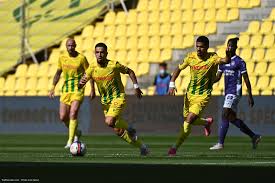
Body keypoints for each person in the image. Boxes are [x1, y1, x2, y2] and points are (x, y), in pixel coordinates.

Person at [78, 42, 149, 155]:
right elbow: (83, 81)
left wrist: (136, 87)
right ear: (94, 53)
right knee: (117, 130)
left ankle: (129, 128)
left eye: (102, 52)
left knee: (109, 121)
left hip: (118, 97)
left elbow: (130, 71)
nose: (99, 55)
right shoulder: (91, 68)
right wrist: (80, 84)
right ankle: (142, 147)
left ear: (106, 53)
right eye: (97, 52)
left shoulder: (114, 65)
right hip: (105, 102)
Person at [167, 36, 232, 156]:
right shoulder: (191, 57)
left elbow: (225, 61)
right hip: (189, 95)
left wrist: (228, 55)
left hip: (203, 96)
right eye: (197, 46)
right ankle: (206, 122)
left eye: (201, 47)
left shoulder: (212, 57)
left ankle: (174, 148)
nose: (198, 49)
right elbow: (178, 68)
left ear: (207, 47)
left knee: (188, 121)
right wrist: (172, 83)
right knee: (190, 119)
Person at [210, 38, 261, 150]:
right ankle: (254, 136)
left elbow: (246, 79)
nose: (229, 47)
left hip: (235, 92)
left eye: (232, 46)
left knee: (224, 114)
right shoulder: (223, 62)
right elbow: (218, 77)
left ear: (236, 48)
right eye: (228, 45)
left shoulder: (239, 61)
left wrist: (250, 95)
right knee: (231, 118)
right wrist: (209, 82)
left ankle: (220, 143)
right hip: (228, 92)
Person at [49, 38, 90, 149]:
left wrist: (92, 89)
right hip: (66, 90)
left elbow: (89, 73)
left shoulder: (81, 58)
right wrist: (53, 87)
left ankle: (70, 140)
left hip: (78, 89)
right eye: (68, 46)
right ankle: (77, 132)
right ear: (66, 47)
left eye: (72, 45)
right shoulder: (62, 58)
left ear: (75, 46)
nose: (70, 47)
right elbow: (58, 73)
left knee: (73, 113)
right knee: (63, 117)